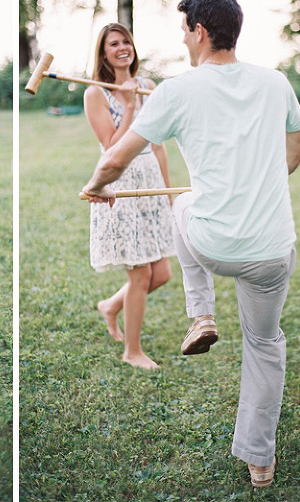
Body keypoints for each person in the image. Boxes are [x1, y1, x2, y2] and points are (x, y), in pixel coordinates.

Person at [81, 0, 300, 488]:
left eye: (184, 29)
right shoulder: (276, 82)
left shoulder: (176, 90)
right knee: (265, 344)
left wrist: (95, 187)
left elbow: (116, 158)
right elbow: (298, 151)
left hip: (214, 244)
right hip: (272, 248)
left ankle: (200, 312)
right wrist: (257, 188)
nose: (182, 39)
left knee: (183, 201)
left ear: (199, 32)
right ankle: (260, 461)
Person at [83, 23, 175, 370]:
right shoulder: (96, 93)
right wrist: (133, 109)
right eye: (114, 44)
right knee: (140, 276)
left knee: (161, 273)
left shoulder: (149, 86)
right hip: (119, 185)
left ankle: (111, 305)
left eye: (126, 42)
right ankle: (132, 351)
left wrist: (167, 193)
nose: (122, 48)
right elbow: (112, 148)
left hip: (150, 182)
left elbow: (158, 145)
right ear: (104, 53)